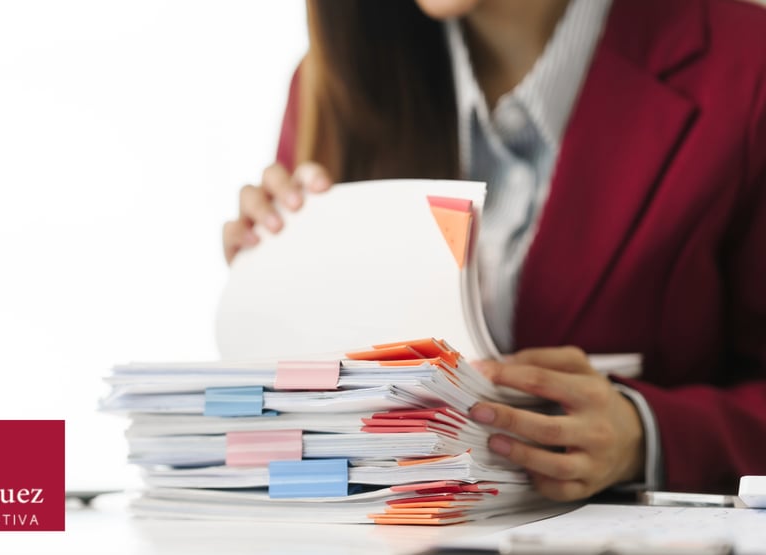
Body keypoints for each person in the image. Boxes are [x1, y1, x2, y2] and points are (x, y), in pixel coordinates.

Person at [221, 0, 766, 501]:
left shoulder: (745, 64)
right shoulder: (333, 81)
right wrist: (272, 287)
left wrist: (648, 434)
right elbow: (313, 416)